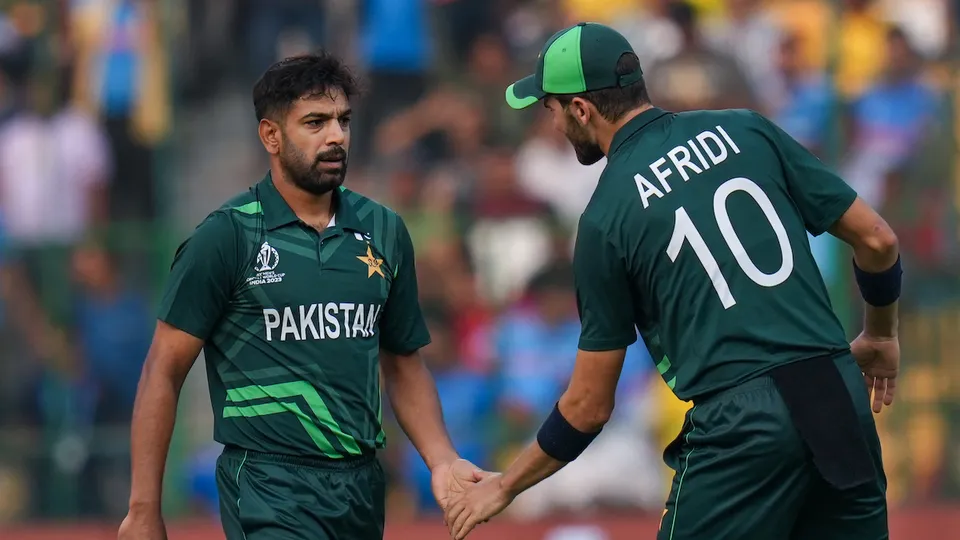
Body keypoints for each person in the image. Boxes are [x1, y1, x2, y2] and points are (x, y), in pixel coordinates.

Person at [445, 22, 899, 540]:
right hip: (836, 394)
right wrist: (881, 335)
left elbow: (589, 405)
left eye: (550, 107)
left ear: (580, 110)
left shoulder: (604, 218)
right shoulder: (748, 129)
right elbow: (878, 240)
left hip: (741, 421)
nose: (551, 124)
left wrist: (505, 486)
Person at [118, 51, 489, 540]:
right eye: (315, 122)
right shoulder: (226, 236)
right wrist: (144, 508)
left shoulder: (384, 229)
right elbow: (161, 371)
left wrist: (442, 459)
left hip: (360, 487)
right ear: (271, 135)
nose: (336, 136)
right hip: (268, 484)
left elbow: (403, 362)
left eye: (343, 120)